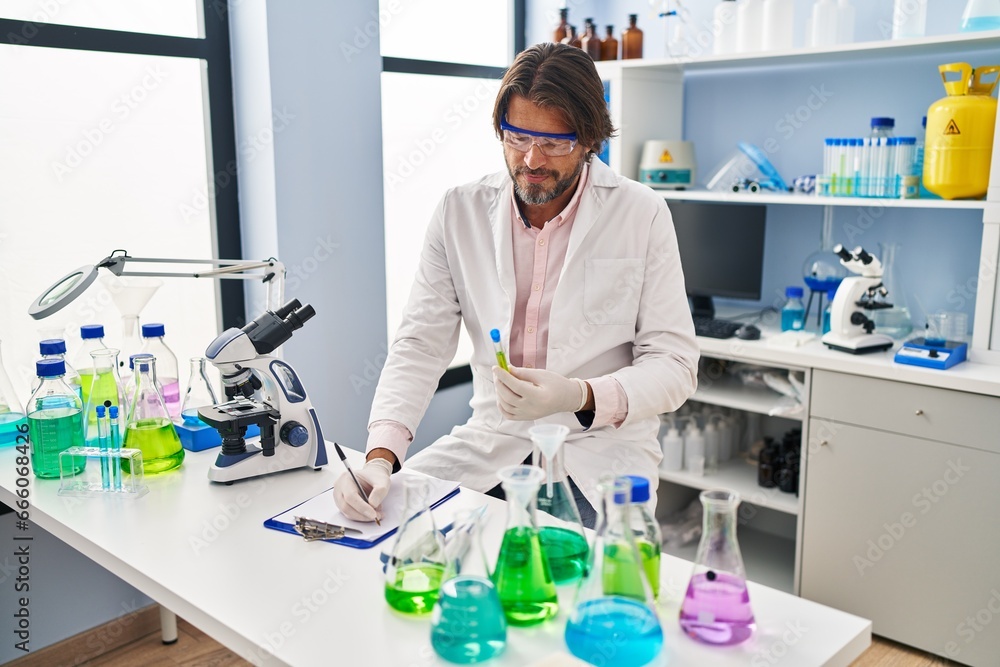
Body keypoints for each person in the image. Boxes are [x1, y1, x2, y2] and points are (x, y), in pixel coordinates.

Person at [334, 42, 698, 527]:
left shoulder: (641, 212)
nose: (531, 159)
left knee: (579, 588)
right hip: (492, 443)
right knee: (386, 529)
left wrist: (578, 395)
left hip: (597, 453)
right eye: (516, 136)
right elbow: (420, 345)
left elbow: (674, 365)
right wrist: (379, 457)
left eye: (553, 143)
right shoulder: (458, 211)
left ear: (590, 139)